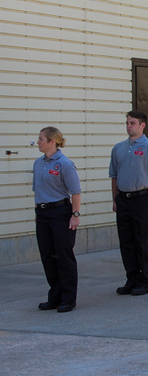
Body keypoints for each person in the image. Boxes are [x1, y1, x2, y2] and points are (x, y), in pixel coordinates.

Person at [110, 110, 148, 296]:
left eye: (132, 123)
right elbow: (114, 176)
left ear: (142, 125)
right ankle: (131, 279)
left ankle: (144, 281)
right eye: (127, 123)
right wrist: (115, 199)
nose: (129, 126)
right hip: (124, 200)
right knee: (126, 242)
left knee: (144, 242)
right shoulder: (118, 148)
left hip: (143, 199)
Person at [33, 127, 81, 313]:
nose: (38, 142)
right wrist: (38, 212)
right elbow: (38, 191)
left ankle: (68, 298)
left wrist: (75, 215)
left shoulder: (64, 164)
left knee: (63, 256)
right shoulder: (38, 164)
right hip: (44, 214)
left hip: (60, 213)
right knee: (48, 256)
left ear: (52, 141)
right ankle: (55, 296)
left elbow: (75, 192)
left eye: (41, 139)